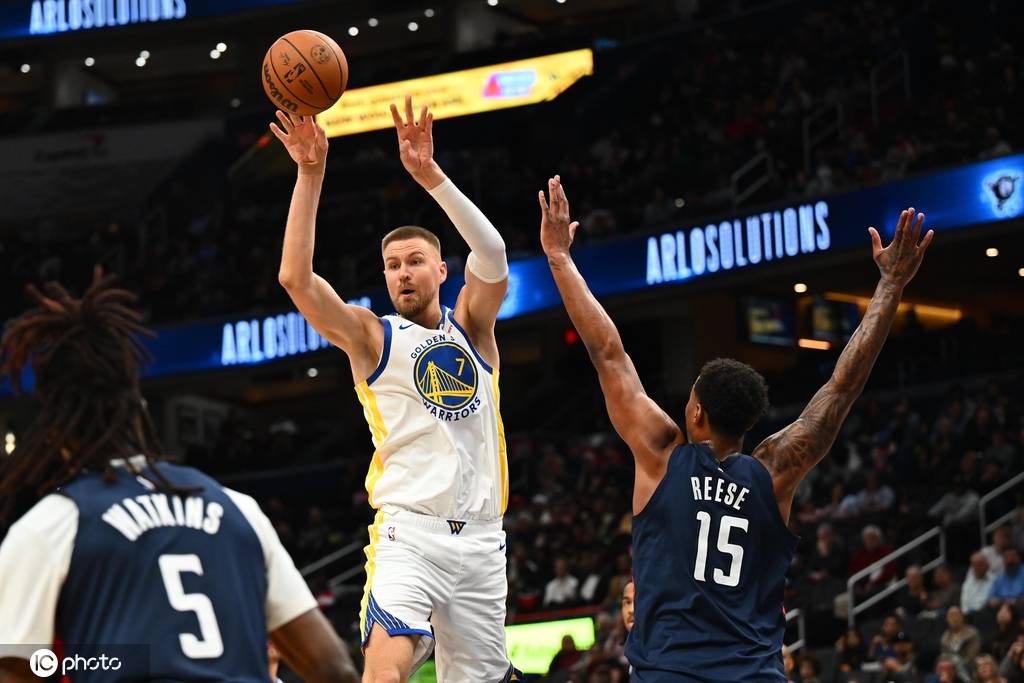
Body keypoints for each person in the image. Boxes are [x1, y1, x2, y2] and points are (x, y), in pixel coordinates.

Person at [539, 172, 932, 681]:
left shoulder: (660, 454)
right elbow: (842, 386)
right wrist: (890, 286)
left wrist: (560, 258)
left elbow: (607, 351)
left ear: (697, 412)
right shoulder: (773, 472)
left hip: (669, 673)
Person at [0, 271, 358, 683]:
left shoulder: (52, 527)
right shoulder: (238, 510)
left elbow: (18, 672)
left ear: (54, 431)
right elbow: (335, 669)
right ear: (140, 411)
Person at [271, 97, 519, 683]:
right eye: (391, 265)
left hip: (484, 541)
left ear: (442, 271)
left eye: (415, 261)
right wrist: (310, 173)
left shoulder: (474, 329)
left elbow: (493, 254)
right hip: (411, 534)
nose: (402, 272)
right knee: (385, 672)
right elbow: (295, 279)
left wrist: (430, 176)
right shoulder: (372, 336)